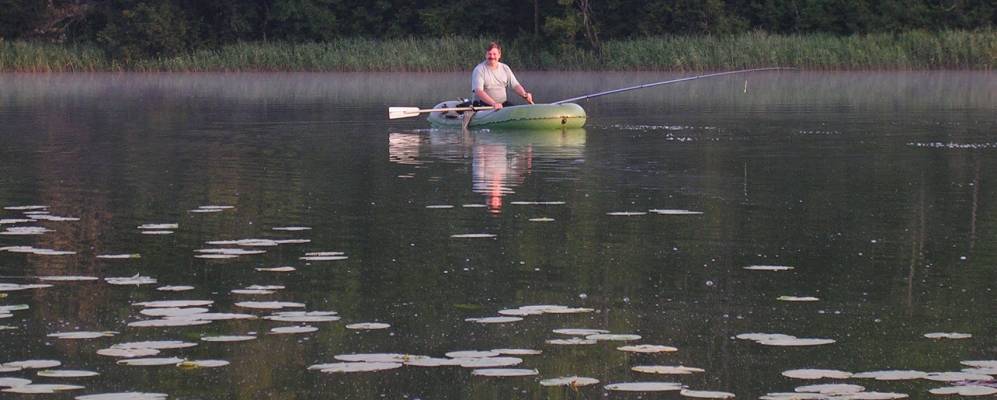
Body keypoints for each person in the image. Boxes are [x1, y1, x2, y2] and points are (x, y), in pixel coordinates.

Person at [470, 42, 534, 110]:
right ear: (486, 55)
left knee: (516, 111)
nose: (492, 56)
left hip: (502, 104)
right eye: (489, 54)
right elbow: (479, 91)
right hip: (483, 105)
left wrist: (525, 94)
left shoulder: (505, 68)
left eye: (494, 54)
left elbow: (515, 85)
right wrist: (493, 103)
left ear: (499, 55)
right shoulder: (479, 70)